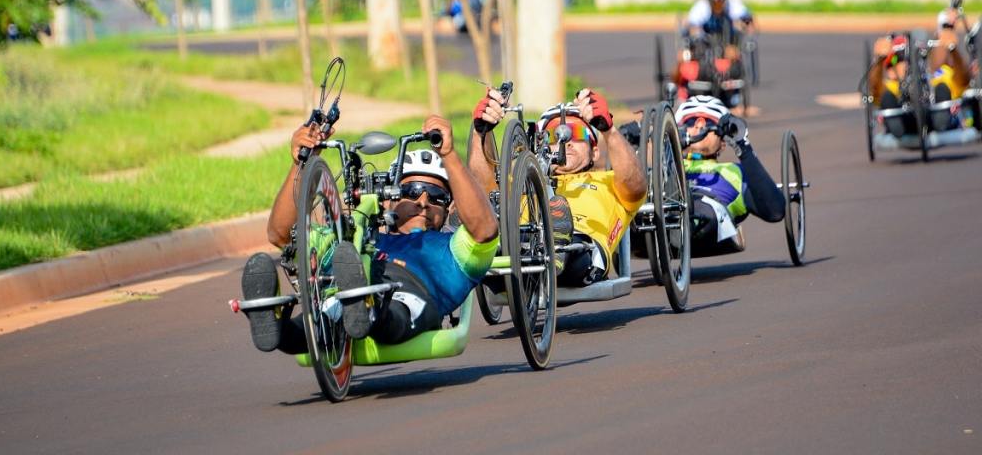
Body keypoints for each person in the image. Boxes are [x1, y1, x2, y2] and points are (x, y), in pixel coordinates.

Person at [240, 114, 499, 353]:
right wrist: (301, 163)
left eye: (435, 196)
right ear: (388, 200)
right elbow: (282, 235)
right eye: (409, 192)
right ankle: (275, 325)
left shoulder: (455, 248)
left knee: (398, 308)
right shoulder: (355, 240)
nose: (422, 202)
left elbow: (486, 229)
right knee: (326, 317)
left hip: (411, 294)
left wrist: (449, 154)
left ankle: (369, 307)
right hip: (351, 284)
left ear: (449, 207)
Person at [469, 88, 647, 286]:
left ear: (595, 152)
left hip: (580, 249)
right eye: (553, 135)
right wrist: (480, 133)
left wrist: (608, 130)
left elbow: (636, 186)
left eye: (577, 133)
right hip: (519, 243)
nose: (566, 140)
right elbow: (483, 192)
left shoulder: (610, 181)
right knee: (482, 233)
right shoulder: (523, 181)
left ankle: (556, 244)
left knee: (568, 239)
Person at [675, 95, 784, 252]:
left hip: (705, 213)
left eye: (710, 123)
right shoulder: (663, 167)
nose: (699, 126)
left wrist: (743, 145)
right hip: (658, 212)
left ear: (723, 142)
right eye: (691, 122)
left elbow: (775, 211)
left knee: (704, 210)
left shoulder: (734, 173)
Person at [868, 19, 969, 136]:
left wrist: (953, 51)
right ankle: (896, 128)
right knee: (887, 97)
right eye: (896, 60)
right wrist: (879, 61)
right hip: (905, 124)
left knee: (942, 88)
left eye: (904, 59)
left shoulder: (938, 77)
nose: (906, 64)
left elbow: (963, 79)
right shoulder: (891, 86)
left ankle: (941, 121)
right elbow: (874, 89)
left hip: (935, 119)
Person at [675, 0, 754, 109]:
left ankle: (733, 94)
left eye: (720, 1)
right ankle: (682, 92)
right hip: (704, 44)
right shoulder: (701, 8)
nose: (718, 5)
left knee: (735, 55)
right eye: (714, 2)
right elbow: (689, 27)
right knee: (685, 59)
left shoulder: (734, 6)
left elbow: (748, 20)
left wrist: (741, 35)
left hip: (727, 41)